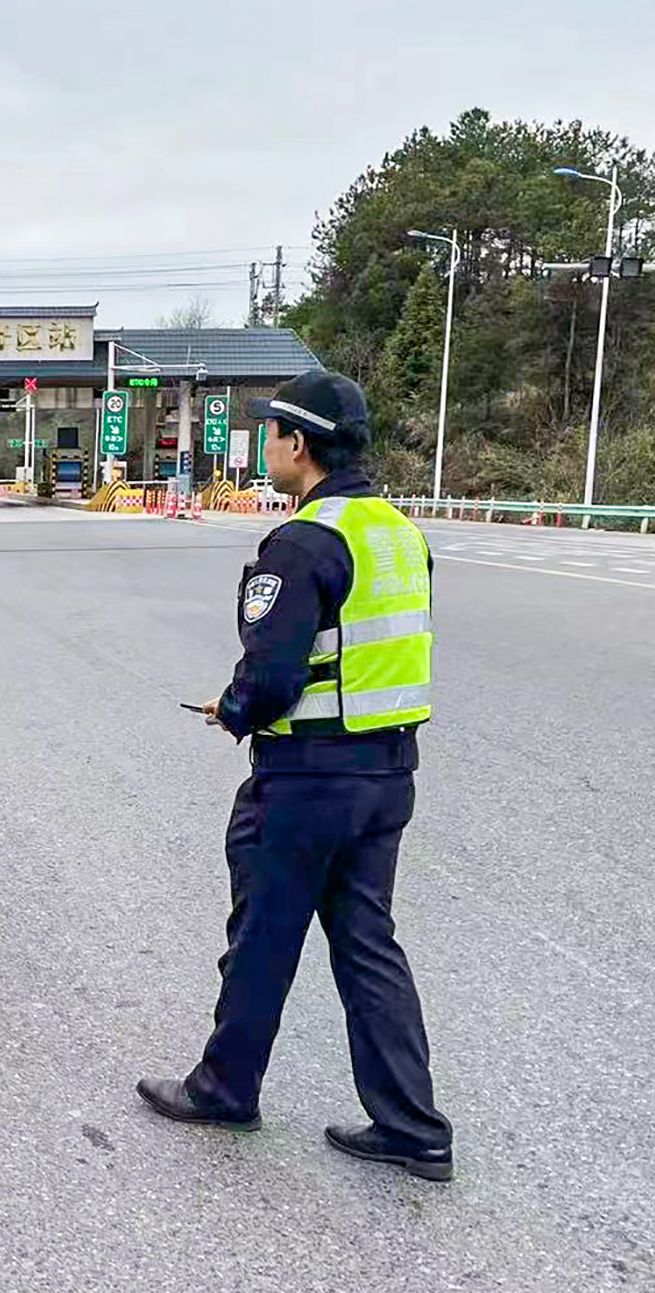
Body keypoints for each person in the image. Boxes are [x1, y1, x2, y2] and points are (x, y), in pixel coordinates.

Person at [136, 371, 455, 1182]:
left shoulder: (305, 541)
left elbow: (275, 672)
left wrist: (235, 708)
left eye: (273, 432)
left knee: (263, 937)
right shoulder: (399, 532)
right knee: (368, 945)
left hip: (310, 777)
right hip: (388, 772)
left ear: (300, 444)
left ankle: (224, 1089)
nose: (267, 446)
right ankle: (413, 1127)